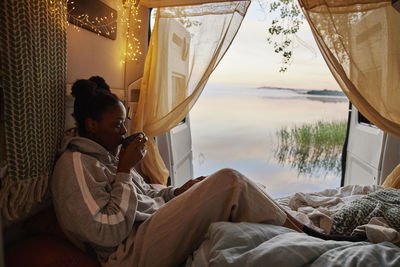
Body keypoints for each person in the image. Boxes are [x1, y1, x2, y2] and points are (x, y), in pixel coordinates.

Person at [51, 77, 361, 267]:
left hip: (148, 227)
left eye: (125, 122)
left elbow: (144, 197)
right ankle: (312, 236)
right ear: (91, 125)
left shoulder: (107, 155)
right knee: (229, 180)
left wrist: (177, 192)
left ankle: (309, 234)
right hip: (128, 254)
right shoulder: (75, 165)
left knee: (225, 184)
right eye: (117, 124)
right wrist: (123, 171)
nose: (125, 130)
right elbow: (107, 233)